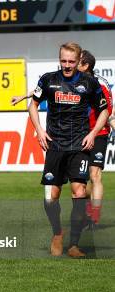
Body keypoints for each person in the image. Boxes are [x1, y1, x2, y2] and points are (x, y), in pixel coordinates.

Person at [29, 42, 109, 258]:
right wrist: (39, 130)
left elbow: (104, 111)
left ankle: (74, 244)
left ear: (78, 60)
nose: (67, 65)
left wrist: (93, 134)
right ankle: (58, 233)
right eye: (63, 61)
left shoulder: (89, 83)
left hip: (79, 146)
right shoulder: (48, 79)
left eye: (71, 61)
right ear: (59, 59)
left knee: (80, 191)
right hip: (54, 145)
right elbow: (33, 104)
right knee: (50, 198)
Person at [78, 50, 113, 227]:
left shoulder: (101, 84)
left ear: (86, 66)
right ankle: (87, 211)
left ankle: (95, 217)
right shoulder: (71, 80)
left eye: (77, 61)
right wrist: (26, 96)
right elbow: (47, 86)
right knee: (79, 182)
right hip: (78, 135)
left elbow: (108, 113)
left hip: (98, 134)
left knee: (95, 175)